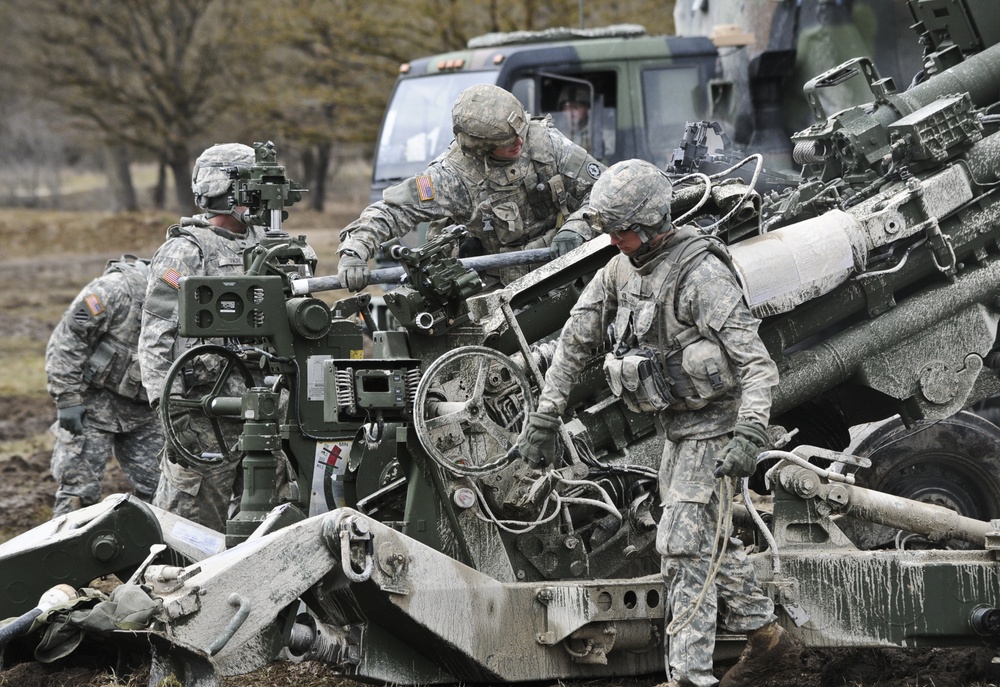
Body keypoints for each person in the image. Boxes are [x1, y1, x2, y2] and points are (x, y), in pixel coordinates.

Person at [515, 159, 800, 687]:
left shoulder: (701, 276)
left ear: (650, 224)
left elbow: (758, 366)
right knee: (706, 543)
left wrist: (750, 435)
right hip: (674, 431)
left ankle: (688, 677)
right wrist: (546, 415)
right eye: (610, 230)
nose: (615, 240)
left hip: (714, 432)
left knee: (680, 548)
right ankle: (767, 639)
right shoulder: (620, 270)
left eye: (621, 231)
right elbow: (576, 341)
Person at [336, 83, 606, 291]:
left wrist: (577, 226)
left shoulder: (545, 143)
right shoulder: (453, 176)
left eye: (519, 133)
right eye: (506, 141)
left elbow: (605, 189)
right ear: (480, 147)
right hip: (502, 294)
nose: (519, 143)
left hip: (567, 273)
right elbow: (393, 211)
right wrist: (354, 250)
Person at [139, 142, 268, 532]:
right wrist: (171, 414)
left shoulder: (270, 245)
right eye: (254, 186)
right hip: (204, 420)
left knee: (266, 533)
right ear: (230, 190)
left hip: (267, 417)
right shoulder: (185, 251)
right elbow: (155, 338)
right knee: (186, 538)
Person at [45, 255, 162, 516]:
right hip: (93, 405)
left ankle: (153, 552)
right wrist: (67, 399)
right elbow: (68, 340)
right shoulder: (111, 291)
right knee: (78, 491)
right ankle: (66, 551)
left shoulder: (180, 295)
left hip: (146, 411)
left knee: (162, 491)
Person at [557, 83, 592, 150]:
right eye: (568, 107)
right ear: (563, 111)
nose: (572, 111)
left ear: (587, 110)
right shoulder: (557, 136)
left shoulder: (598, 134)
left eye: (577, 106)